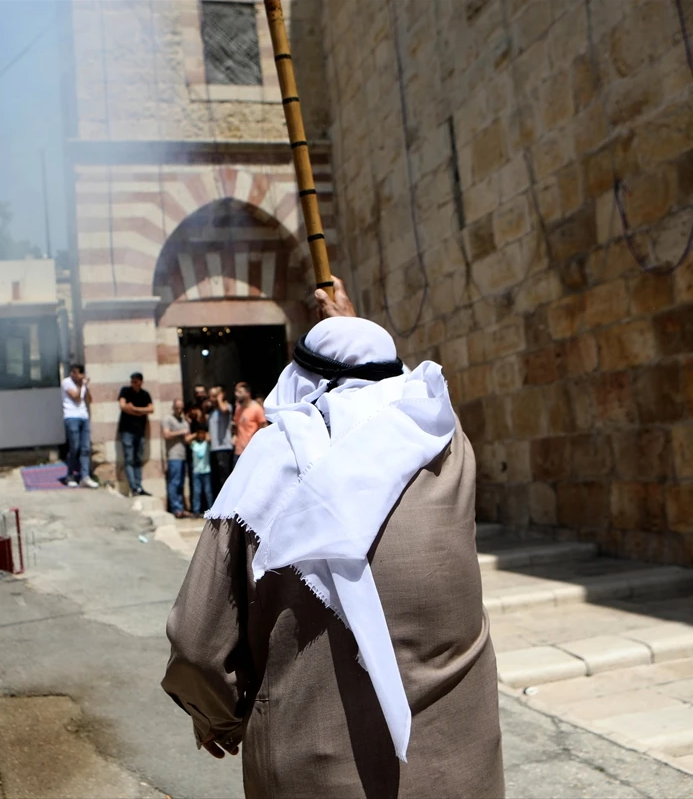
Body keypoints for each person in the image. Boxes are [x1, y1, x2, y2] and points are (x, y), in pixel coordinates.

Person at [161, 277, 504, 798]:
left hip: (314, 776)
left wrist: (216, 716)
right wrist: (355, 328)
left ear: (301, 379)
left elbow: (198, 641)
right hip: (460, 776)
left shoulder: (268, 468)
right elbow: (394, 384)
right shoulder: (448, 446)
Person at [62, 364, 99, 489]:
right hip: (71, 416)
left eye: (77, 373)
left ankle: (84, 476)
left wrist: (87, 387)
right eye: (73, 372)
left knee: (85, 448)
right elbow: (76, 398)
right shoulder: (66, 382)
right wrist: (81, 385)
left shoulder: (82, 385)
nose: (74, 375)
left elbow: (89, 400)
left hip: (83, 416)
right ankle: (70, 475)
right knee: (75, 447)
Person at [117, 372, 154, 497]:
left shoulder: (145, 394)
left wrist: (134, 409)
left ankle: (138, 486)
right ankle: (134, 487)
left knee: (138, 459)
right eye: (132, 381)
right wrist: (140, 412)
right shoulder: (125, 391)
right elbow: (122, 406)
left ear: (141, 382)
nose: (134, 383)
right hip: (127, 431)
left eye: (136, 381)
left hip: (140, 432)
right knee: (129, 459)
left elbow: (151, 409)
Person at [162, 398, 192, 517]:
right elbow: (166, 434)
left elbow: (187, 438)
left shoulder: (185, 422)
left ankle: (180, 507)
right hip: (173, 455)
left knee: (180, 483)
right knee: (174, 482)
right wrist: (181, 432)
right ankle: (175, 508)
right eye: (177, 408)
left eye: (181, 408)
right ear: (173, 408)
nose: (179, 410)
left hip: (183, 455)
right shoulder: (168, 419)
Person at [207, 386, 235, 498]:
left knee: (225, 479)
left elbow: (224, 410)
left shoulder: (226, 407)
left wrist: (219, 399)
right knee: (216, 480)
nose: (211, 398)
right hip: (214, 448)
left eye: (214, 396)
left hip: (223, 448)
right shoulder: (211, 412)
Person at [231, 382, 266, 464]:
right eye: (236, 392)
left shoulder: (257, 409)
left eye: (240, 392)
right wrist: (234, 436)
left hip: (251, 450)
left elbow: (263, 427)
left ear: (247, 393)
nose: (236, 394)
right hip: (239, 450)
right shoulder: (238, 409)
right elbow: (236, 424)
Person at [190, 428, 213, 515]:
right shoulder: (194, 444)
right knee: (197, 492)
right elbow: (187, 439)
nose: (200, 435)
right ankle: (196, 510)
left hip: (206, 470)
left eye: (202, 434)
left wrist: (205, 433)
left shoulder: (206, 444)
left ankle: (211, 510)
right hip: (196, 471)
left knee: (208, 492)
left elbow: (209, 439)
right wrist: (195, 434)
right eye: (199, 434)